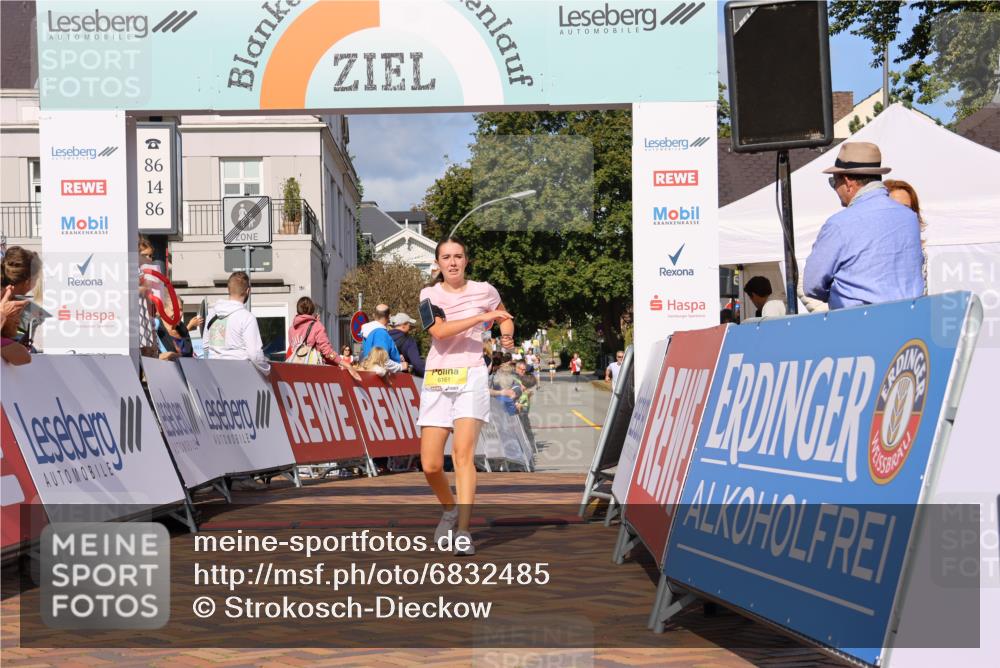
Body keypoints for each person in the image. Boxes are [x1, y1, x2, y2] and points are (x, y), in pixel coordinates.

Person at [418, 236, 515, 556]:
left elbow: (504, 316)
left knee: (462, 455)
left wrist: (506, 335)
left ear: (466, 260)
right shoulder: (428, 294)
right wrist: (479, 318)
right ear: (438, 264)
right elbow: (439, 332)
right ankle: (449, 509)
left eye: (458, 256)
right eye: (446, 257)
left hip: (471, 374)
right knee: (431, 464)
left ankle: (463, 531)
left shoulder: (485, 290)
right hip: (438, 377)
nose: (453, 262)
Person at [803, 142, 924, 309]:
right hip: (909, 316)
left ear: (848, 182)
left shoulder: (839, 224)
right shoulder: (910, 218)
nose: (835, 188)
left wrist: (839, 292)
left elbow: (812, 284)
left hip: (858, 320)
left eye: (834, 182)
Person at [205, 271, 270, 374]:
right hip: (239, 374)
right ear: (248, 291)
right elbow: (254, 355)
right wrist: (267, 370)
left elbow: (205, 345)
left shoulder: (212, 314)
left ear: (228, 289)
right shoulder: (247, 318)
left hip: (214, 373)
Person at [885, 179, 928, 295]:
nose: (901, 213)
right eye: (895, 207)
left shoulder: (919, 251)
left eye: (906, 208)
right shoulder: (873, 250)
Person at [360, 304, 405, 373]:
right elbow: (383, 360)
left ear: (374, 315)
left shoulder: (370, 331)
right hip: (383, 377)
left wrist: (397, 357)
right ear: (389, 316)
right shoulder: (381, 333)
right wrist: (401, 366)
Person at [388, 311, 426, 377]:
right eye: (409, 324)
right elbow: (417, 364)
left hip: (385, 375)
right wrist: (426, 376)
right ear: (403, 325)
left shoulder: (384, 336)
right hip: (401, 377)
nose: (410, 327)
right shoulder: (409, 341)